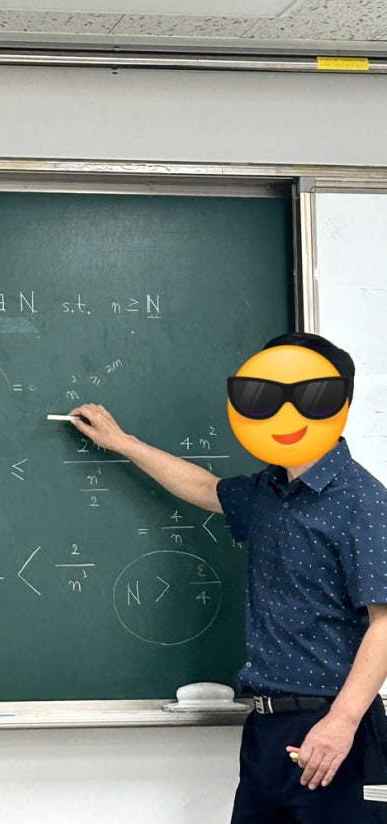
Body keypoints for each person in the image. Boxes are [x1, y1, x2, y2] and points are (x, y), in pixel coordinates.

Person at [70, 331, 387, 824]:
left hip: (332, 728)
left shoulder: (362, 501)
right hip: (266, 729)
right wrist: (122, 443)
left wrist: (341, 723)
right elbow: (205, 487)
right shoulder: (268, 492)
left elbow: (385, 623)